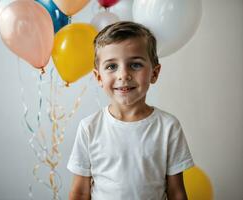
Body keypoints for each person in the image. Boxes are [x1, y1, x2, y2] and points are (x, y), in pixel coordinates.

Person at [67, 21, 194, 200]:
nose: (123, 75)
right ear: (98, 77)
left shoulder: (168, 127)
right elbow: (80, 191)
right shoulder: (89, 128)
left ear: (154, 73)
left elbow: (176, 191)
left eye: (135, 65)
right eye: (112, 66)